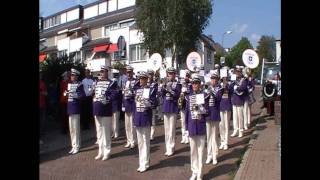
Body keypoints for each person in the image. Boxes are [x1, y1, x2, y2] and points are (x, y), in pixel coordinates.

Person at [185, 74, 209, 180]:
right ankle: (194, 171)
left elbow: (208, 111)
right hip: (191, 126)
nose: (195, 85)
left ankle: (200, 172)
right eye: (193, 83)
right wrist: (186, 128)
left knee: (201, 151)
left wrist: (201, 108)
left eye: (196, 83)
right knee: (193, 151)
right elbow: (186, 113)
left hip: (201, 125)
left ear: (200, 85)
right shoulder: (188, 97)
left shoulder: (204, 96)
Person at [133, 71, 157, 172]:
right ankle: (141, 163)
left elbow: (154, 103)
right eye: (140, 78)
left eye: (143, 78)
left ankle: (146, 163)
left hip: (146, 117)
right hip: (138, 117)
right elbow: (135, 106)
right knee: (140, 142)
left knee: (146, 141)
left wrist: (146, 102)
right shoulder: (137, 90)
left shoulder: (150, 90)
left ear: (147, 79)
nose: (141, 80)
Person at [92, 66, 117, 161]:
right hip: (97, 109)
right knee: (99, 132)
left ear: (107, 72)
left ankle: (107, 151)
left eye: (103, 71)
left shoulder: (111, 83)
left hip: (106, 110)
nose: (101, 73)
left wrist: (107, 99)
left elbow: (114, 94)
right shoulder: (97, 83)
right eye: (100, 72)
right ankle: (100, 151)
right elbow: (94, 94)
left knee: (106, 132)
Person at [160, 67, 182, 156]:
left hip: (173, 108)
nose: (170, 75)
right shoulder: (165, 83)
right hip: (166, 107)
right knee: (166, 129)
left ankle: (171, 147)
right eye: (169, 73)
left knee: (172, 129)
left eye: (172, 73)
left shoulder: (177, 84)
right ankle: (167, 147)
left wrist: (169, 89)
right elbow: (162, 95)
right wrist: (163, 87)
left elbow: (177, 95)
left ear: (174, 74)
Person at [65, 68, 85, 154]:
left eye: (73, 75)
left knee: (76, 128)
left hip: (76, 108)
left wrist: (73, 94)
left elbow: (82, 95)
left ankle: (77, 145)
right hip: (70, 108)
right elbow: (68, 95)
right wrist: (66, 93)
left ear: (76, 76)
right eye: (71, 75)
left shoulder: (80, 84)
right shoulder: (69, 84)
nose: (72, 77)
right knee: (71, 129)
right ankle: (73, 145)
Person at [205, 72, 222, 165]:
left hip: (215, 115)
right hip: (208, 115)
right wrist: (206, 92)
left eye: (215, 79)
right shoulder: (207, 88)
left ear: (217, 80)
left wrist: (212, 92)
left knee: (215, 137)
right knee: (208, 137)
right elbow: (203, 99)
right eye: (212, 79)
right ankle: (209, 155)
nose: (213, 80)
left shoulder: (219, 89)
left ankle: (215, 156)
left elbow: (219, 99)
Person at [122, 66, 138, 148]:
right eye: (127, 72)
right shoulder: (125, 82)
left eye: (130, 72)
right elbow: (123, 93)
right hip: (126, 104)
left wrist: (131, 91)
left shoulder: (136, 82)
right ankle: (128, 140)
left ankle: (133, 141)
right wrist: (123, 104)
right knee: (127, 125)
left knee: (132, 125)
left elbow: (137, 93)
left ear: (132, 72)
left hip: (132, 104)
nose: (128, 74)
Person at [230, 66, 247, 138]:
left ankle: (241, 130)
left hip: (240, 100)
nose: (237, 73)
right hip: (234, 100)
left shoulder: (243, 80)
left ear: (241, 72)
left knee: (240, 117)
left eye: (239, 72)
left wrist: (238, 88)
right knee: (235, 117)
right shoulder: (233, 79)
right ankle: (235, 130)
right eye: (236, 72)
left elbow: (244, 87)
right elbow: (230, 88)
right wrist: (231, 83)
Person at [219, 74, 233, 150]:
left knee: (226, 125)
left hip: (227, 106)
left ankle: (226, 142)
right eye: (223, 78)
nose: (224, 79)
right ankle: (222, 141)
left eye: (225, 78)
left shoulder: (230, 85)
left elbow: (231, 92)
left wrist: (226, 85)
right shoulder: (219, 86)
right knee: (221, 126)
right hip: (220, 107)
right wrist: (222, 86)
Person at [179, 70, 192, 144]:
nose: (186, 77)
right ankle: (183, 136)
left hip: (189, 104)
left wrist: (186, 91)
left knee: (188, 121)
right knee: (183, 121)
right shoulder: (181, 83)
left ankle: (188, 136)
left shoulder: (191, 84)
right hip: (183, 104)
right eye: (185, 76)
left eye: (187, 75)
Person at [147, 69, 158, 140]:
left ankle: (152, 134)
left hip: (152, 103)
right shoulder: (146, 83)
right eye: (149, 74)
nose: (149, 76)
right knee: (147, 119)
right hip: (146, 104)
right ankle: (148, 133)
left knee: (153, 119)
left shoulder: (155, 84)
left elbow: (154, 92)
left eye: (151, 74)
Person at [111, 70, 121, 138]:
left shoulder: (118, 88)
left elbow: (119, 97)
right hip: (112, 106)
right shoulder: (113, 84)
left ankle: (116, 132)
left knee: (115, 120)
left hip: (116, 106)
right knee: (112, 120)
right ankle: (113, 132)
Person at [39, 70, 47, 144]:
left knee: (42, 122)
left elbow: (46, 93)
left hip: (42, 105)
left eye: (41, 74)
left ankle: (41, 137)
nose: (41, 76)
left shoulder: (43, 83)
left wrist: (42, 92)